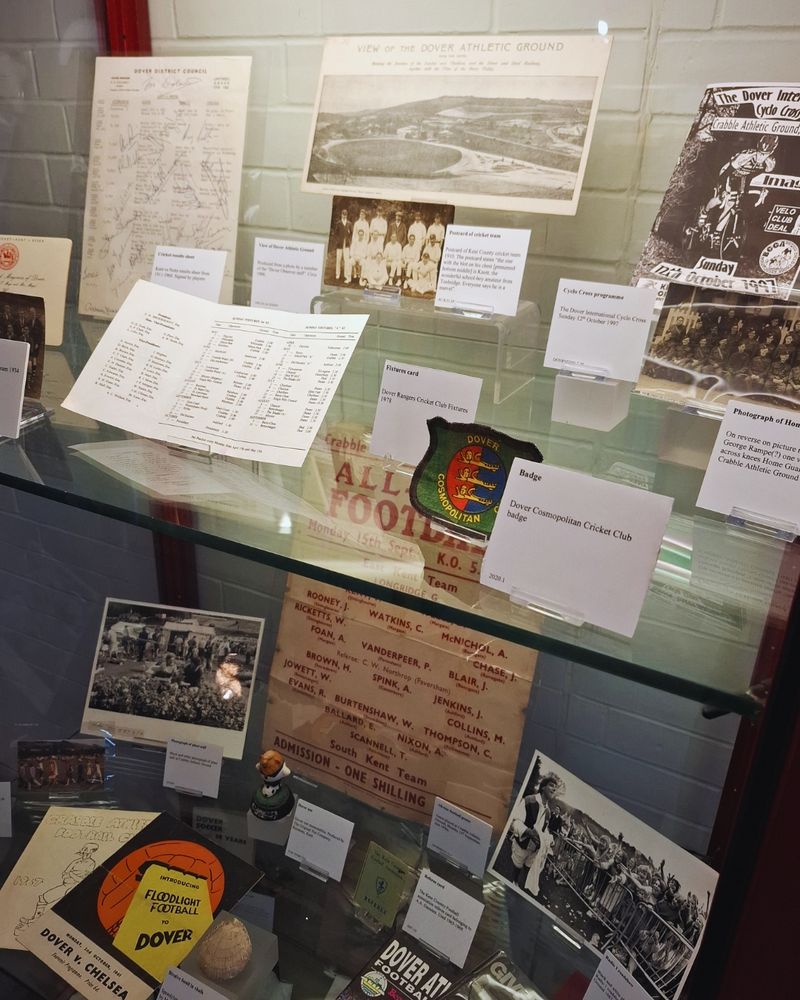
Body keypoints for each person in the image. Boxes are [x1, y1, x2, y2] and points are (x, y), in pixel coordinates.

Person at [350, 210, 370, 283]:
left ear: (365, 215)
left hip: (363, 243)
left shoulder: (366, 224)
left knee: (362, 261)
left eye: (363, 214)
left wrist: (365, 242)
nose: (362, 216)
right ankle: (355, 273)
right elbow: (354, 234)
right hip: (356, 242)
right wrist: (355, 241)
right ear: (359, 215)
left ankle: (361, 275)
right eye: (361, 214)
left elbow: (367, 234)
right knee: (354, 260)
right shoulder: (356, 223)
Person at [333, 208, 353, 282]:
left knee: (346, 260)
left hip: (346, 245)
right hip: (339, 245)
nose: (344, 216)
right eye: (343, 214)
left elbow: (351, 233)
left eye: (345, 215)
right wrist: (338, 241)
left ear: (347, 215)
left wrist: (349, 240)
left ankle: (346, 275)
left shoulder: (349, 223)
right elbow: (335, 234)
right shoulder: (338, 223)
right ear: (341, 215)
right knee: (338, 260)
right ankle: (337, 274)